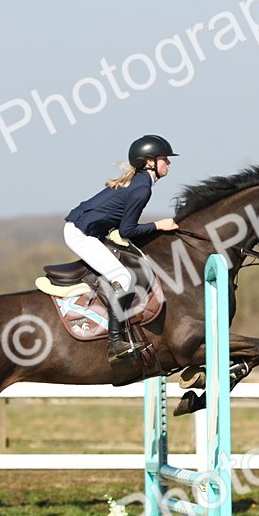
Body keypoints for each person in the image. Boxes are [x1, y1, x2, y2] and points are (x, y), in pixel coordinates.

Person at [65, 134, 179, 365]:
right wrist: (159, 225)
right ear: (150, 162)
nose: (169, 163)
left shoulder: (140, 182)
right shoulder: (142, 189)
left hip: (89, 230)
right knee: (122, 277)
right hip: (80, 234)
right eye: (164, 158)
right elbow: (128, 230)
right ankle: (116, 343)